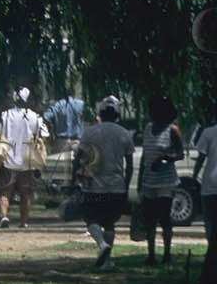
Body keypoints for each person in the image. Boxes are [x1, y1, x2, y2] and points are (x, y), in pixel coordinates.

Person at [75, 97, 135, 271]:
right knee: (110, 223)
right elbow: (129, 164)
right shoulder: (124, 134)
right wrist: (126, 184)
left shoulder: (89, 132)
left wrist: (73, 179)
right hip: (116, 186)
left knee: (90, 219)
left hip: (93, 185)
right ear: (117, 115)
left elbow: (78, 158)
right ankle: (107, 261)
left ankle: (101, 244)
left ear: (100, 114)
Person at [0, 88, 50, 229]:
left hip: (7, 160)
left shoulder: (3, 116)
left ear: (14, 99)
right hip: (27, 161)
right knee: (25, 194)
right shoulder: (36, 117)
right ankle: (23, 222)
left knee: (5, 192)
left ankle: (4, 216)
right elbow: (45, 136)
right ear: (28, 100)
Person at [136, 96, 184, 265]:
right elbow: (144, 156)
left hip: (166, 182)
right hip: (149, 181)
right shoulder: (148, 128)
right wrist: (140, 180)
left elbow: (180, 154)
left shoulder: (172, 130)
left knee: (164, 218)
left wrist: (165, 157)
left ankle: (167, 254)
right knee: (149, 219)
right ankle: (151, 255)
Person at [192, 110, 217, 246]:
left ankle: (212, 250)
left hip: (210, 184)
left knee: (210, 220)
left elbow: (201, 157)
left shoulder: (208, 132)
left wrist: (195, 175)